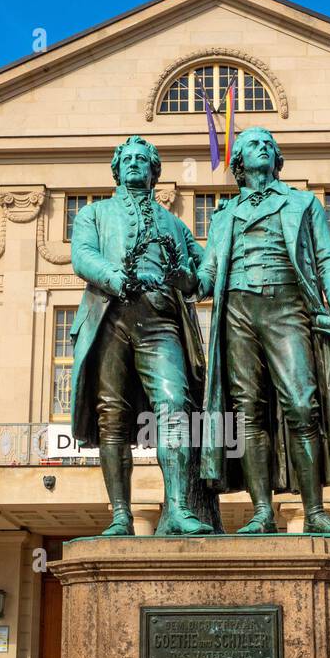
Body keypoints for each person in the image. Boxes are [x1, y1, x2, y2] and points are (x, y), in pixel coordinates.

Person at [198, 126, 330, 537]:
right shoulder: (224, 215)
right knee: (247, 412)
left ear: (276, 158)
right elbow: (207, 275)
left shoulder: (302, 203)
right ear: (239, 162)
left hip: (287, 307)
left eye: (268, 144)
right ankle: (262, 511)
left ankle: (314, 511)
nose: (261, 147)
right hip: (238, 312)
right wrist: (181, 278)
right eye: (251, 144)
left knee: (302, 405)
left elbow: (328, 258)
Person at [69, 135, 217, 536]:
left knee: (174, 405)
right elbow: (82, 256)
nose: (135, 163)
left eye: (143, 159)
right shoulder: (94, 214)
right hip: (110, 317)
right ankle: (120, 515)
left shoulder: (175, 224)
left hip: (160, 322)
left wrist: (191, 280)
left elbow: (207, 271)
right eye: (128, 159)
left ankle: (180, 509)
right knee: (111, 417)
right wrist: (118, 277)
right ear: (117, 170)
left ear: (155, 172)